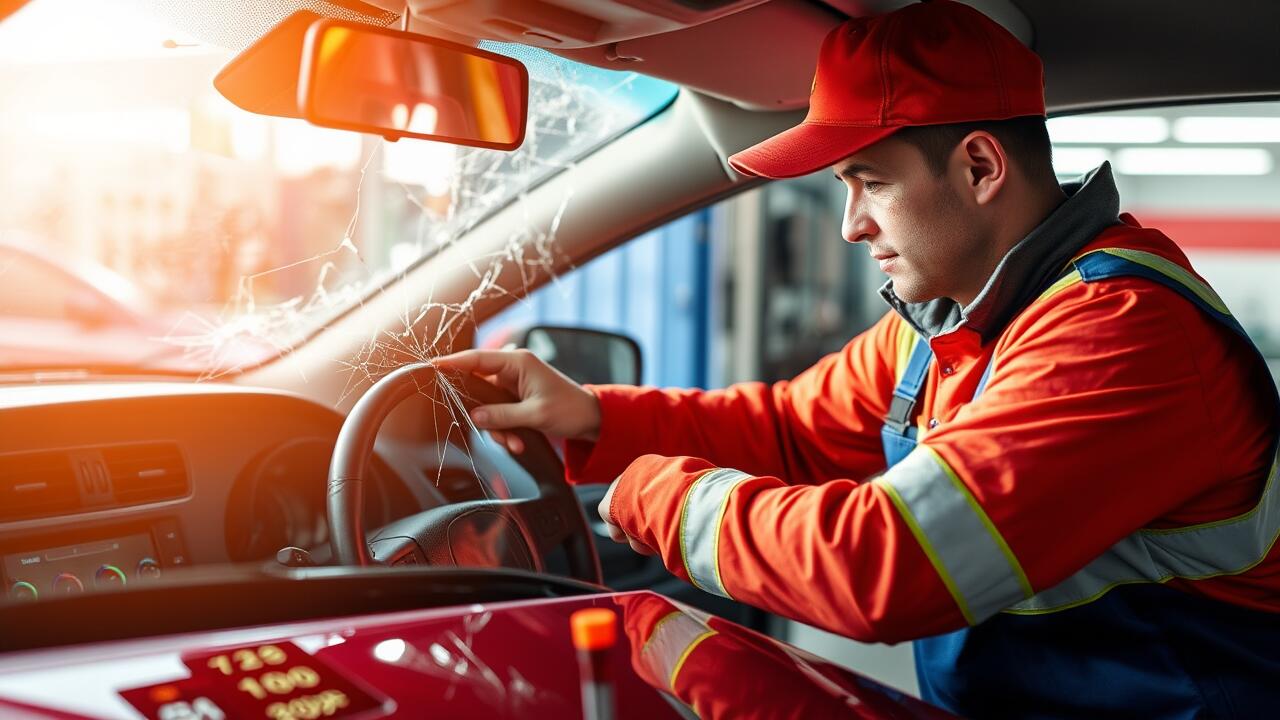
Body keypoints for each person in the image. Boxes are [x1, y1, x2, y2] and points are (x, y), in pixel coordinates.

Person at [437, 0, 1280, 716]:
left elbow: (888, 563)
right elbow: (794, 430)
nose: (850, 225)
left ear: (981, 166)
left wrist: (655, 495)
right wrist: (590, 415)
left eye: (869, 181)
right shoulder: (952, 324)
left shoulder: (1122, 333)